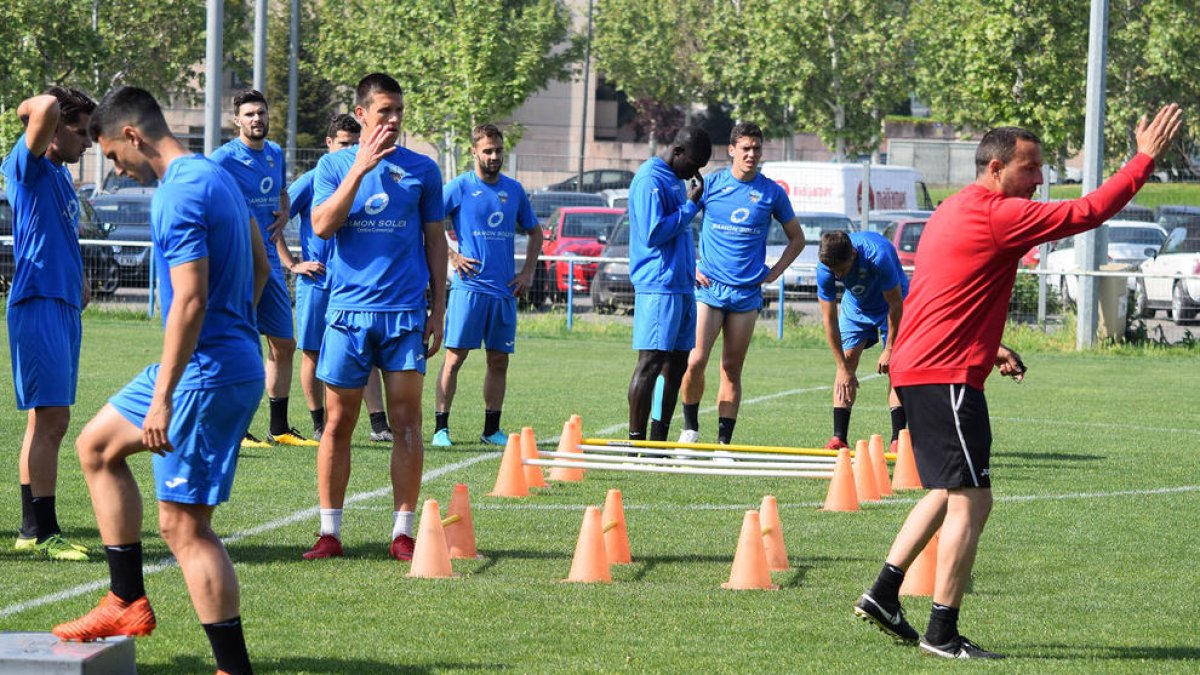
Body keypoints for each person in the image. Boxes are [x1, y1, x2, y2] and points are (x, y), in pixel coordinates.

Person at [852, 105, 1182, 659]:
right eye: (1031, 170)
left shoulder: (956, 208)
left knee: (946, 490)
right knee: (974, 501)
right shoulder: (997, 213)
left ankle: (884, 592)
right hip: (946, 376)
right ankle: (941, 632)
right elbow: (1090, 211)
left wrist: (992, 345)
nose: (1039, 180)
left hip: (925, 367)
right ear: (997, 168)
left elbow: (948, 291)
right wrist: (1144, 158)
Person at [53, 86, 270, 675]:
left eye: (112, 157)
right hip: (221, 361)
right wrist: (238, 332)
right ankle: (125, 600)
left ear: (131, 135)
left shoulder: (178, 194)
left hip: (203, 374)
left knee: (184, 526)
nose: (116, 172)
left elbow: (190, 301)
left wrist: (168, 396)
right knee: (95, 447)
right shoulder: (217, 173)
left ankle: (233, 668)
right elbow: (260, 262)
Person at [302, 73, 447, 562]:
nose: (394, 120)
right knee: (338, 424)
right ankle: (329, 533)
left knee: (406, 424)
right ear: (361, 114)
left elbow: (433, 242)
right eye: (384, 111)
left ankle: (404, 533)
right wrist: (359, 169)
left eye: (399, 111)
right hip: (347, 315)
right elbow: (322, 225)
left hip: (405, 315)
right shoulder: (333, 165)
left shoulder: (423, 170)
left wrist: (438, 310)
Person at [2, 86, 96, 561]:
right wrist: (55, 100)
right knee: (53, 421)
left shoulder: (59, 176)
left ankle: (29, 528)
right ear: (54, 130)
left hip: (60, 304)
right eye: (80, 131)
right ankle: (46, 532)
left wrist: (78, 281)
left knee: (46, 421)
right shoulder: (28, 165)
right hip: (37, 302)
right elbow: (37, 108)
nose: (90, 142)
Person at [677, 122, 803, 445]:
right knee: (695, 360)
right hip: (709, 288)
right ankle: (689, 429)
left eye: (756, 149)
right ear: (731, 150)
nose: (751, 154)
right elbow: (678, 225)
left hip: (746, 294)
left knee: (731, 369)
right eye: (745, 148)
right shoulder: (711, 184)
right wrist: (691, 265)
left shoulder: (772, 192)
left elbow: (797, 239)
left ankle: (723, 444)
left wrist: (774, 272)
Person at [275, 113, 393, 444]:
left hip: (354, 284)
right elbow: (276, 219)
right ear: (329, 144)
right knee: (312, 352)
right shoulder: (313, 179)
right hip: (318, 281)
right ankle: (318, 423)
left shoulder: (366, 177)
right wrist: (293, 264)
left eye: (356, 144)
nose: (351, 150)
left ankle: (379, 424)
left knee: (364, 348)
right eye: (344, 144)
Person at [211, 89, 316, 448]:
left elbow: (282, 193)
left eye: (262, 113)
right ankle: (234, 428)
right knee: (241, 344)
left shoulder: (274, 154)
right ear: (236, 120)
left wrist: (285, 210)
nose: (257, 119)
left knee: (285, 343)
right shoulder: (223, 159)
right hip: (238, 264)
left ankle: (279, 427)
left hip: (269, 262)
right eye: (250, 114)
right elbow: (205, 198)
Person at [433, 123, 541, 447]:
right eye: (488, 151)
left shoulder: (515, 190)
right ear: (474, 152)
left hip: (504, 291)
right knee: (454, 359)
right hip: (469, 289)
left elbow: (535, 233)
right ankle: (441, 429)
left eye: (498, 151)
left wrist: (527, 273)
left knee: (499, 361)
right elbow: (430, 222)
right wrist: (452, 254)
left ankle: (491, 429)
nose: (494, 157)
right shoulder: (459, 187)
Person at [626, 126, 712, 442]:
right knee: (650, 362)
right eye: (693, 163)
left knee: (676, 364)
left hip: (681, 285)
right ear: (677, 152)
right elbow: (652, 232)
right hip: (658, 286)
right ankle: (636, 442)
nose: (695, 171)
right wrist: (690, 207)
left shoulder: (675, 180)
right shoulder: (651, 178)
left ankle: (658, 439)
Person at [815, 229, 907, 453]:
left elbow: (895, 305)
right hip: (856, 306)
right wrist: (842, 367)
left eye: (842, 270)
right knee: (846, 361)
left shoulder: (878, 256)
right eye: (833, 271)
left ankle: (897, 441)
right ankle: (839, 438)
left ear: (854, 255)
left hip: (893, 303)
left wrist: (889, 348)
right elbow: (829, 320)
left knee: (897, 367)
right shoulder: (826, 267)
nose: (837, 276)